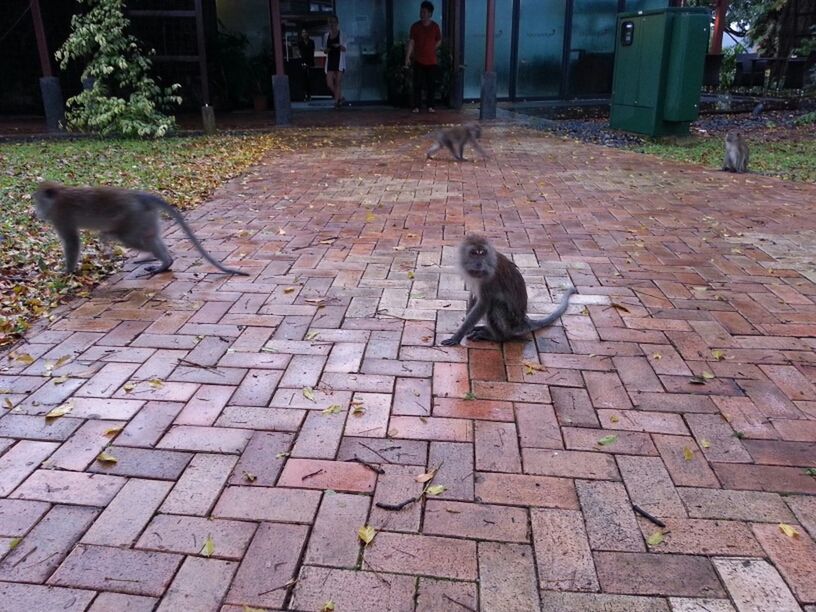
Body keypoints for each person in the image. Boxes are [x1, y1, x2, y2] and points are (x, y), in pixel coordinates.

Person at [405, 1, 442, 113]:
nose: (422, 14)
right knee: (417, 84)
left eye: (424, 12)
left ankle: (431, 106)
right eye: (421, 11)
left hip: (431, 60)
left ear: (430, 14)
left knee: (431, 84)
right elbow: (412, 42)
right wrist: (407, 57)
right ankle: (417, 106)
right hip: (418, 59)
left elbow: (439, 40)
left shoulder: (435, 26)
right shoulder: (415, 27)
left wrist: (433, 48)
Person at [323, 16, 347, 108]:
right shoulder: (326, 35)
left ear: (337, 23)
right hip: (330, 60)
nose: (331, 24)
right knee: (329, 83)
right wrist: (326, 50)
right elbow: (324, 49)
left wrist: (339, 46)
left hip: (339, 60)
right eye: (330, 22)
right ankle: (340, 97)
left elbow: (345, 48)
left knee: (337, 82)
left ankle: (337, 102)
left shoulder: (342, 34)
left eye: (333, 22)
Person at [296, 29, 315, 102]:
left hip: (310, 61)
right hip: (303, 61)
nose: (304, 34)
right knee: (304, 78)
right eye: (303, 32)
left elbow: (312, 51)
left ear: (308, 33)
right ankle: (305, 94)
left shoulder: (311, 42)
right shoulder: (300, 42)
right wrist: (301, 60)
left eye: (305, 32)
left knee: (310, 78)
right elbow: (298, 51)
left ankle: (310, 94)